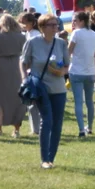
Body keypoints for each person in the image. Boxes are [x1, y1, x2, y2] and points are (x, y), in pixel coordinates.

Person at [21, 13, 69, 169]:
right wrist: (25, 80)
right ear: (42, 27)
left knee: (57, 124)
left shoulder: (61, 43)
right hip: (40, 87)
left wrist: (61, 72)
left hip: (59, 88)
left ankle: (51, 158)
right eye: (52, 25)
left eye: (56, 25)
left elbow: (67, 65)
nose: (56, 27)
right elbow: (23, 63)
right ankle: (44, 159)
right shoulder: (33, 42)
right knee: (47, 120)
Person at [0, 15, 27, 137]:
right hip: (16, 66)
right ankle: (16, 130)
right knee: (16, 97)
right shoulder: (21, 37)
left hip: (0, 66)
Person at [68, 11, 95, 138]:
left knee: (78, 102)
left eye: (75, 21)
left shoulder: (76, 33)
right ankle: (90, 126)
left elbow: (69, 51)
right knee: (89, 101)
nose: (73, 23)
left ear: (81, 21)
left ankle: (81, 129)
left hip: (76, 71)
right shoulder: (94, 34)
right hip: (90, 71)